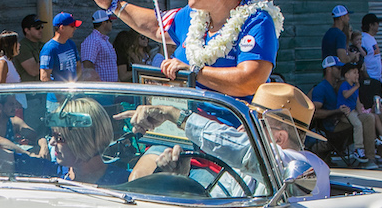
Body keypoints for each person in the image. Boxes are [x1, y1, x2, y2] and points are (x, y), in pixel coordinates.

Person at [88, 0, 281, 100]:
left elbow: (249, 81)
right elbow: (156, 25)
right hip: (181, 128)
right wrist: (112, 4)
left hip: (230, 135)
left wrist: (193, 72)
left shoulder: (256, 21)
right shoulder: (191, 15)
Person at [124, 82, 330, 201]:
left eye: (254, 125)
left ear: (279, 137)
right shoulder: (258, 163)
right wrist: (182, 178)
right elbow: (219, 199)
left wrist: (176, 115)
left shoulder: (304, 165)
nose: (242, 129)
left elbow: (246, 151)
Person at [0, 53, 127, 185]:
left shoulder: (125, 182)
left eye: (59, 138)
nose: (51, 142)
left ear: (82, 139)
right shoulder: (50, 172)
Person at [39, 12, 81, 84]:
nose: (75, 28)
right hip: (57, 93)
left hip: (72, 92)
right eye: (72, 26)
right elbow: (44, 77)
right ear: (62, 28)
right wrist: (58, 93)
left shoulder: (71, 44)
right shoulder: (49, 49)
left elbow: (78, 66)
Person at [0, 31, 28, 110]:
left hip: (17, 107)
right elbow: (0, 87)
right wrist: (14, 104)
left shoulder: (8, 61)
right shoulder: (2, 62)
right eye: (16, 42)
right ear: (10, 45)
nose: (19, 45)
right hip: (12, 109)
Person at [81, 10, 119, 81]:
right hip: (101, 88)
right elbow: (87, 65)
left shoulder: (105, 41)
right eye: (110, 21)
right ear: (104, 23)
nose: (111, 24)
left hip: (108, 88)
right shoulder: (92, 40)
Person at [13, 14, 46, 83]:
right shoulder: (22, 47)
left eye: (41, 27)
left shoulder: (43, 45)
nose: (40, 30)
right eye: (37, 27)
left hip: (42, 87)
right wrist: (50, 62)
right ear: (27, 30)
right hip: (29, 89)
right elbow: (33, 71)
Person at [360, 13, 382, 82]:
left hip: (376, 78)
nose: (378, 25)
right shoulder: (363, 39)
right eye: (377, 23)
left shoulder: (371, 38)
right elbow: (361, 61)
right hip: (370, 78)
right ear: (371, 25)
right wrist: (368, 78)